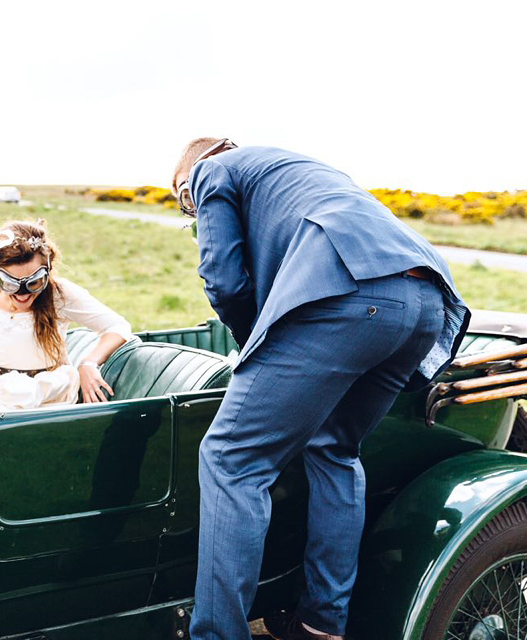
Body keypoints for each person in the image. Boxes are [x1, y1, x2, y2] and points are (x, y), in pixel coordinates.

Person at [171, 139, 470, 640]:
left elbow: (223, 281)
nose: (193, 211)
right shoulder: (298, 169)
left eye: (187, 207)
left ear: (186, 180)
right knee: (335, 449)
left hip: (350, 297)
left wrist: (257, 351)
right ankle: (322, 624)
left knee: (230, 458)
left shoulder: (210, 170)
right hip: (425, 302)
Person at [0, 219, 131, 412]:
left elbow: (117, 326)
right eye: (10, 283)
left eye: (34, 282)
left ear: (47, 271)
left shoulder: (60, 294)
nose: (22, 294)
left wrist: (89, 363)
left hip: (47, 394)